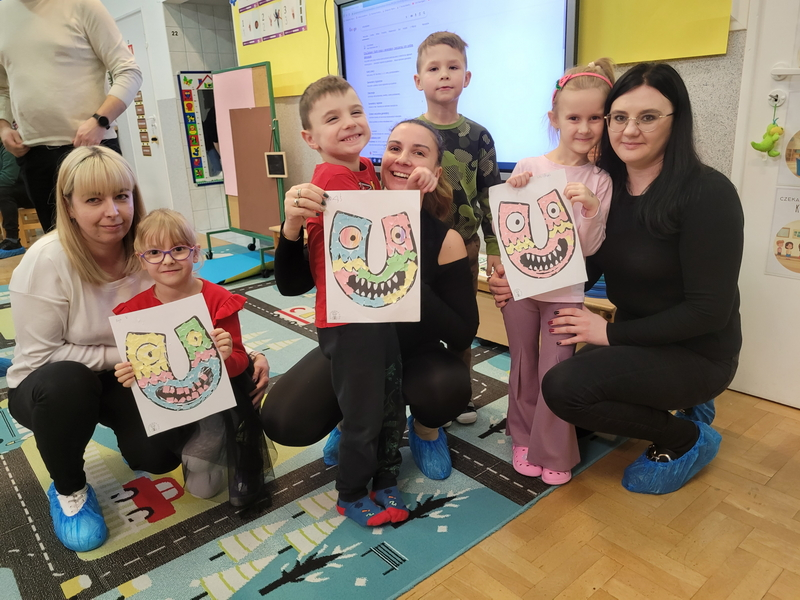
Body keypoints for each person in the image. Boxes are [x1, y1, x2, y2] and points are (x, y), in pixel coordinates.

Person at [490, 63, 744, 495]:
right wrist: (520, 278)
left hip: (695, 352)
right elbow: (583, 266)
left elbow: (709, 312)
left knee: (564, 389)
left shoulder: (708, 193)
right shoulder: (611, 188)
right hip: (636, 341)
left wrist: (608, 334)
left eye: (649, 117)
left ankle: (685, 437)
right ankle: (670, 403)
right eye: (620, 117)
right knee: (564, 397)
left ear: (676, 120)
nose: (630, 130)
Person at [6, 146, 269, 553]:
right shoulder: (45, 262)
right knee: (67, 384)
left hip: (133, 376)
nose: (112, 212)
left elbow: (195, 310)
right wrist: (121, 357)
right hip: (49, 385)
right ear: (69, 206)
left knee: (157, 457)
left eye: (122, 196)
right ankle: (69, 491)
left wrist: (244, 355)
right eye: (94, 200)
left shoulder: (149, 250)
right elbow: (42, 357)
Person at [262, 118, 478, 486]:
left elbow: (462, 332)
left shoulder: (446, 240)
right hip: (353, 349)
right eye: (394, 148)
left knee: (448, 388)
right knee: (284, 420)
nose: (403, 159)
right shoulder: (348, 217)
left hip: (415, 354)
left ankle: (426, 431)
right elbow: (291, 285)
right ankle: (351, 420)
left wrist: (408, 278)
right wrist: (292, 225)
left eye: (418, 153)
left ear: (435, 172)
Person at [289, 75, 415, 527]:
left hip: (378, 309)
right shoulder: (330, 177)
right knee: (362, 412)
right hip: (347, 320)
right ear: (310, 138)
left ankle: (385, 477)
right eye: (332, 118)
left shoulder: (364, 169)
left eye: (355, 111)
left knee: (389, 401)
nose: (349, 122)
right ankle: (351, 492)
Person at [501, 59, 615, 485]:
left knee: (556, 370)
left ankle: (553, 448)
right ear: (554, 119)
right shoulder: (530, 165)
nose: (584, 128)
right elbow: (511, 230)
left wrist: (591, 209)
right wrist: (514, 190)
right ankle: (522, 437)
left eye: (594, 118)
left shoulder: (600, 180)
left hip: (566, 292)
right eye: (573, 118)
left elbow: (588, 249)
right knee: (523, 364)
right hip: (522, 288)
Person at [112, 209, 273, 508]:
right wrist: (129, 375)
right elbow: (141, 374)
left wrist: (225, 356)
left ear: (195, 253)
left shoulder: (217, 300)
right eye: (155, 253)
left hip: (222, 398)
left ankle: (223, 438)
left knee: (208, 477)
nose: (168, 260)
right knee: (201, 487)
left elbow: (239, 361)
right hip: (172, 403)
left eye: (178, 249)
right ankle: (206, 442)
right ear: (141, 259)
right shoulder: (134, 312)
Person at [414, 31, 502, 425]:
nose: (444, 74)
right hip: (417, 246)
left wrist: (495, 249)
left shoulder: (479, 136)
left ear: (466, 77)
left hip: (464, 248)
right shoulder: (410, 134)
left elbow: (490, 196)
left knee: (461, 325)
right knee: (419, 323)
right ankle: (422, 397)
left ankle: (459, 394)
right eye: (434, 68)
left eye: (453, 67)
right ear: (419, 80)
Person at [0, 0, 143, 232]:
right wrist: (3, 126)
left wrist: (100, 120)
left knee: (111, 237)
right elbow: (3, 88)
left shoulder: (83, 4)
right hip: (33, 154)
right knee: (57, 242)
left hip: (90, 147)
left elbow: (129, 71)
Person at [0, 142, 32, 257]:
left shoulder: (7, 149)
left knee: (2, 192)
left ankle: (12, 240)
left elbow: (8, 178)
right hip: (13, 194)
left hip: (31, 193)